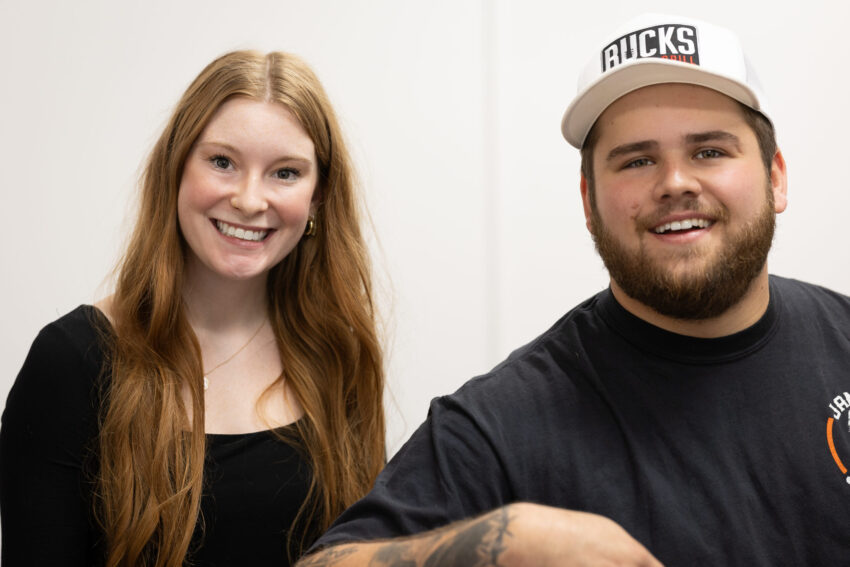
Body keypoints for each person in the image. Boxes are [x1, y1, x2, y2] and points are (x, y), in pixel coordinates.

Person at [296, 13, 850, 567]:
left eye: (709, 151)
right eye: (637, 160)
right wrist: (496, 545)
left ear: (776, 177)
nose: (675, 182)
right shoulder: (501, 426)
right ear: (588, 203)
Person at [0, 50, 385, 567]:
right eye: (222, 162)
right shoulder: (73, 361)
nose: (250, 200)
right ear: (176, 168)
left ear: (318, 198)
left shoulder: (339, 354)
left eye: (285, 173)